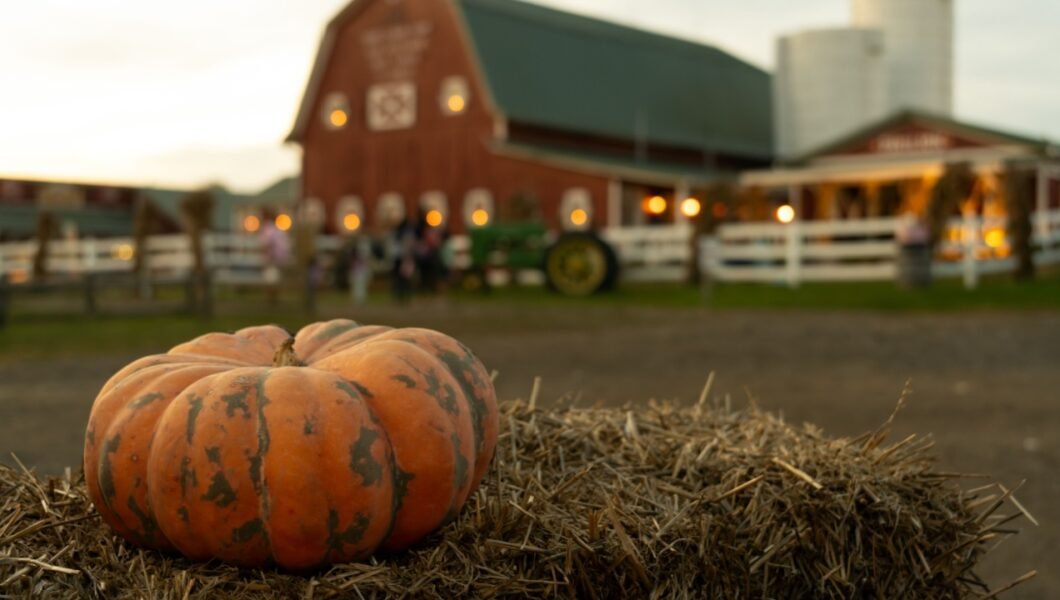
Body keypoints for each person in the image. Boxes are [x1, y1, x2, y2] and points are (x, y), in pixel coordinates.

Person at [259, 208, 291, 305]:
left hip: (274, 257)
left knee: (270, 277)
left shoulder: (268, 228)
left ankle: (271, 299)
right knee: (274, 277)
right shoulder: (277, 229)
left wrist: (268, 257)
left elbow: (267, 244)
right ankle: (273, 298)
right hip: (281, 257)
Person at [389, 216, 416, 304]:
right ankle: (404, 296)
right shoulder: (406, 233)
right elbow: (409, 245)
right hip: (403, 258)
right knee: (404, 279)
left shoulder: (397, 233)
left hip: (399, 258)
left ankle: (401, 296)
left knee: (400, 278)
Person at [348, 232, 374, 305]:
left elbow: (367, 257)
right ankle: (358, 299)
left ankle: (361, 298)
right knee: (357, 283)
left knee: (362, 283)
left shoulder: (365, 246)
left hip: (362, 267)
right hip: (357, 267)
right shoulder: (355, 246)